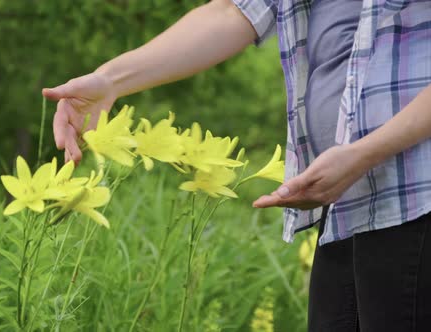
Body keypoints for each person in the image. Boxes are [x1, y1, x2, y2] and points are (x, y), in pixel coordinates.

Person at [42, 0, 431, 330]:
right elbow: (234, 11)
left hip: (418, 194)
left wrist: (366, 152)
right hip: (348, 205)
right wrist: (109, 80)